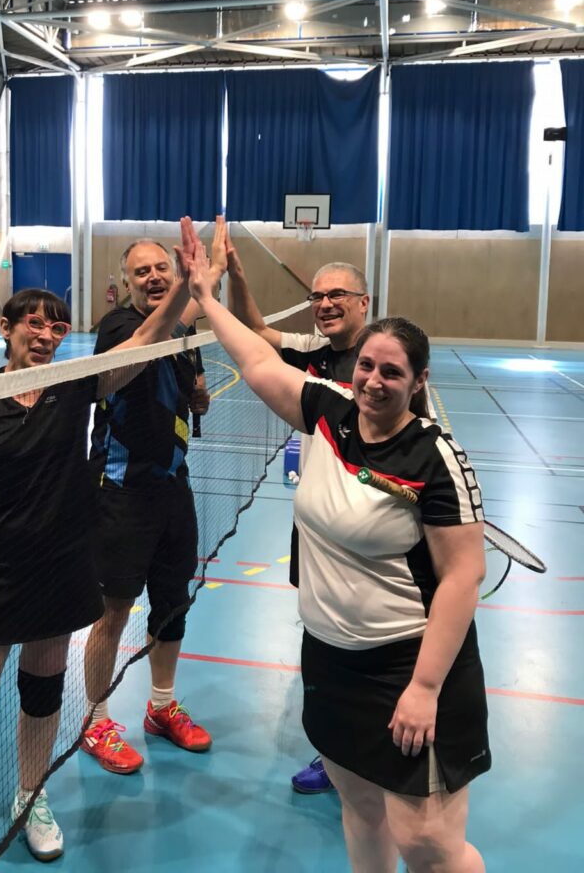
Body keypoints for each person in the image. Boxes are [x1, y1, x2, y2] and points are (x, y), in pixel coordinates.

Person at [0, 240, 199, 872]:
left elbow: (144, 342)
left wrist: (188, 286)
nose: (47, 334)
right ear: (6, 328)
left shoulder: (75, 385)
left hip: (61, 565)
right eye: (34, 322)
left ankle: (30, 798)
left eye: (57, 327)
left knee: (42, 692)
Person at [188, 240, 490, 873]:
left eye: (392, 373)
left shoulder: (433, 459)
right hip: (329, 660)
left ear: (419, 381)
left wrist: (425, 688)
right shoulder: (329, 412)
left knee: (427, 846)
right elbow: (257, 359)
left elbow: (464, 576)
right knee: (360, 809)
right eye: (367, 367)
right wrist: (205, 300)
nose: (374, 381)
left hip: (406, 667)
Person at [81, 218, 227, 774]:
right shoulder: (118, 327)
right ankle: (96, 720)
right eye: (141, 272)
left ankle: (161, 706)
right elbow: (147, 342)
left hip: (173, 487)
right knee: (114, 610)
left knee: (172, 602)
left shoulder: (181, 332)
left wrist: (197, 397)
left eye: (161, 268)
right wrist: (191, 285)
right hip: (122, 494)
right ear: (126, 283)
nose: (153, 277)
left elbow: (183, 372)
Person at [226, 232, 369, 793]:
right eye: (317, 296)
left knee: (364, 638)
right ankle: (335, 751)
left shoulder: (382, 358)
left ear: (364, 302)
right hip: (314, 521)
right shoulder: (315, 352)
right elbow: (254, 332)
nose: (325, 303)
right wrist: (237, 276)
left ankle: (366, 749)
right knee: (320, 632)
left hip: (367, 528)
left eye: (337, 295)